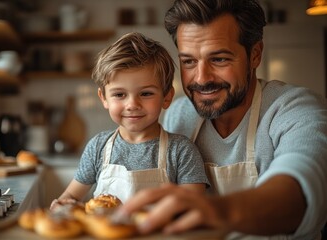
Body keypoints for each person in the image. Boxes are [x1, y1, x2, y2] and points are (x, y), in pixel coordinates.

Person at [114, 0, 327, 239]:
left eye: (219, 59)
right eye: (189, 62)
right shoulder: (179, 114)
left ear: (255, 55)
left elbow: (297, 193)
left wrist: (219, 210)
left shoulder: (294, 108)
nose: (202, 78)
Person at [50, 32, 209, 209]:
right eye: (119, 94)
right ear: (104, 98)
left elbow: (194, 207)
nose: (132, 104)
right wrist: (63, 205)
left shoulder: (182, 151)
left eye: (146, 93)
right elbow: (71, 195)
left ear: (166, 97)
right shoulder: (98, 148)